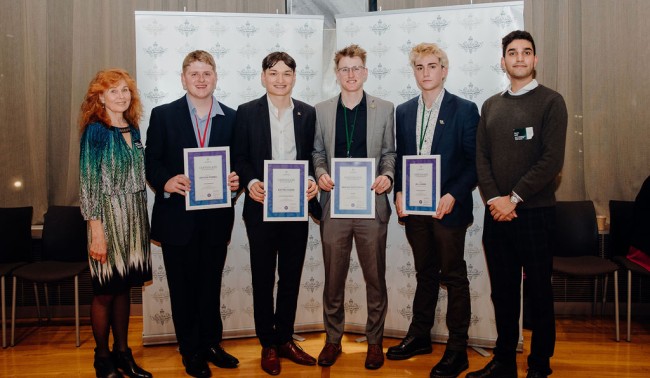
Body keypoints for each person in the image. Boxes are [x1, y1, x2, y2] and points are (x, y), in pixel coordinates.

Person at [471, 30, 568, 378]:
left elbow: (551, 160)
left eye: (527, 52)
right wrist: (496, 199)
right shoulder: (491, 105)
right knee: (504, 293)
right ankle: (503, 362)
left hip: (535, 214)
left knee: (540, 293)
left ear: (535, 59)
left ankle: (539, 365)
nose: (520, 58)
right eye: (512, 52)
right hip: (497, 215)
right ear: (503, 61)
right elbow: (481, 157)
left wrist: (512, 198)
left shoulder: (551, 102)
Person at [145, 50, 240, 378]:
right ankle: (191, 350)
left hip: (215, 220)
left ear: (215, 77)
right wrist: (167, 181)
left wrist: (235, 180)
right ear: (183, 78)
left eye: (207, 73)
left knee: (210, 285)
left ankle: (212, 344)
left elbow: (238, 163)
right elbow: (152, 162)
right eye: (194, 74)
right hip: (177, 221)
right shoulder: (163, 115)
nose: (201, 80)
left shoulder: (232, 117)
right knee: (182, 289)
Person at [388, 43, 479, 378]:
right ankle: (420, 336)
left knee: (453, 276)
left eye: (432, 66)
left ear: (444, 69)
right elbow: (400, 159)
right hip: (415, 210)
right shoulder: (404, 111)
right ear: (414, 72)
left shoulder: (465, 109)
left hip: (447, 210)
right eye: (419, 67)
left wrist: (454, 193)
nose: (425, 73)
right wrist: (398, 191)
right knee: (425, 272)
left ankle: (457, 349)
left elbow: (473, 163)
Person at [231, 51, 319, 376]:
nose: (280, 79)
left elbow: (313, 155)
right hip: (261, 208)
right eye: (273, 73)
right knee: (263, 276)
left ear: (294, 78)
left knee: (291, 277)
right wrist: (251, 181)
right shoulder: (246, 113)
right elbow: (239, 156)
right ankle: (267, 342)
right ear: (263, 77)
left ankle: (285, 339)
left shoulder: (308, 114)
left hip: (296, 208)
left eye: (286, 73)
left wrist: (311, 181)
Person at [312, 44, 396, 370]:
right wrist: (319, 173)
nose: (350, 74)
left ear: (365, 72)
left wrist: (388, 176)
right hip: (334, 206)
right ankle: (333, 341)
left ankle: (375, 343)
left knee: (375, 279)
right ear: (337, 74)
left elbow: (390, 153)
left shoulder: (384, 108)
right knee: (334, 279)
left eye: (356, 68)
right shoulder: (321, 110)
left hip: (371, 206)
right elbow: (317, 152)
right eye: (344, 69)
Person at [79, 68, 153, 378]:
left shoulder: (133, 128)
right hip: (106, 219)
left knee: (124, 288)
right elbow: (87, 183)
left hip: (134, 218)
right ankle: (102, 357)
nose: (121, 96)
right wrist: (97, 232)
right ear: (100, 97)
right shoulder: (95, 131)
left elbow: (140, 174)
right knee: (106, 292)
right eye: (113, 91)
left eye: (125, 90)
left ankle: (124, 353)